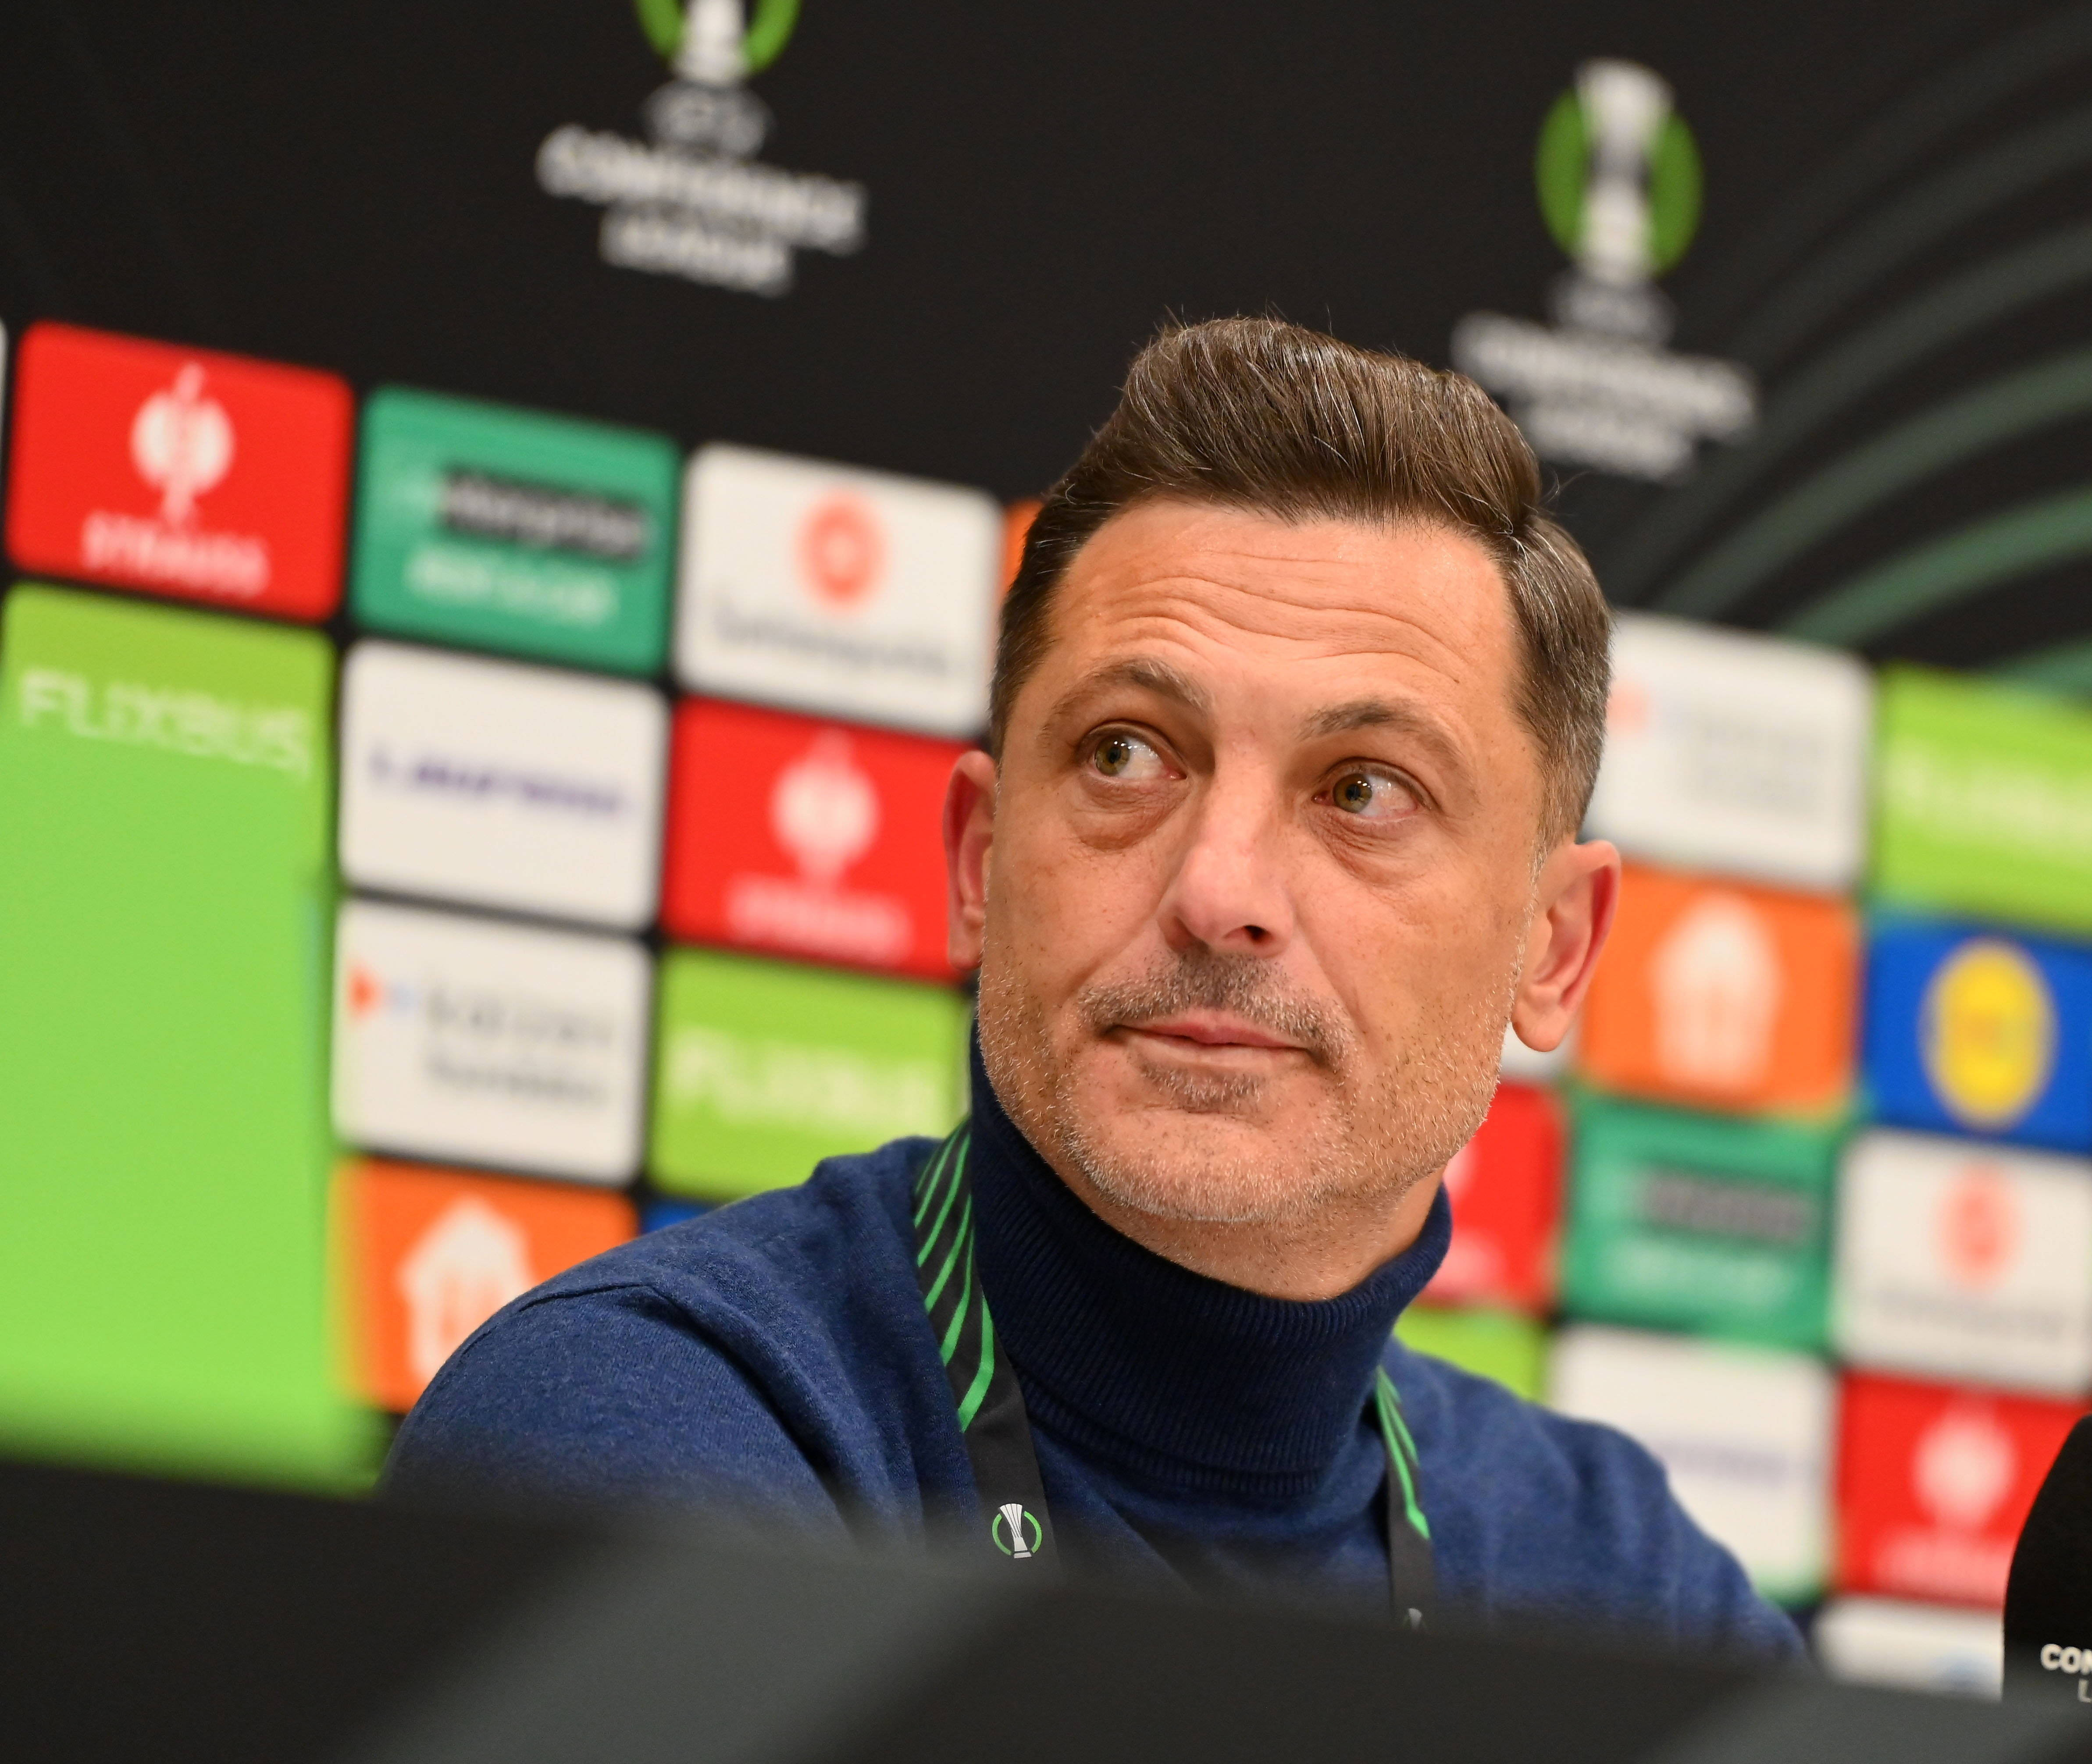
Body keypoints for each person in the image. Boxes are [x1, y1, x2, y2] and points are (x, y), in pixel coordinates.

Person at [386, 317, 1801, 1657]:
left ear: (1553, 949)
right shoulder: (647, 1426)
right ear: (979, 861)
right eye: (1128, 756)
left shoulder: (1631, 1593)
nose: (1220, 892)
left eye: (1364, 790)